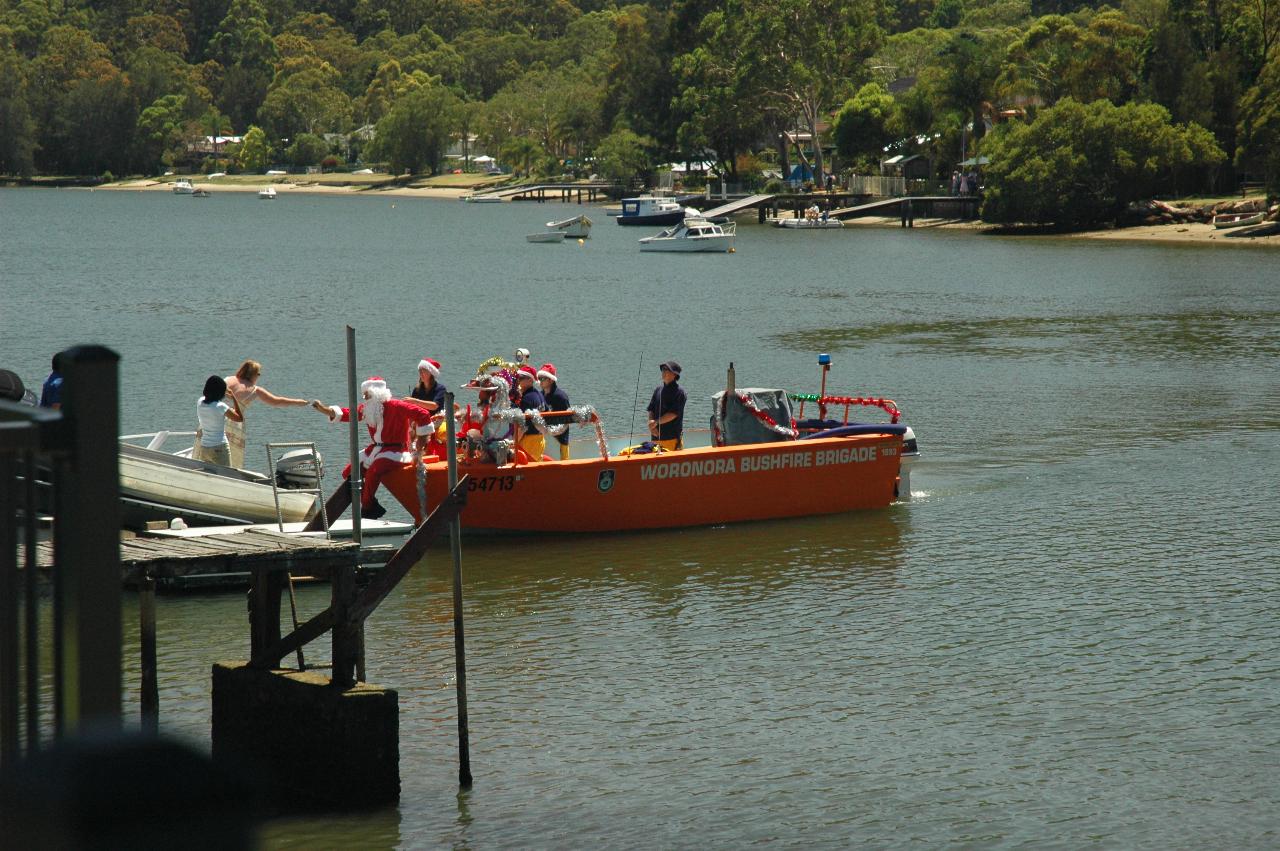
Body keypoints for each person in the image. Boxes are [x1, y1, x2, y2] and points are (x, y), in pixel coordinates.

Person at [312, 376, 437, 520]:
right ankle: (371, 503)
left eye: (367, 394)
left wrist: (421, 440)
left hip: (396, 451)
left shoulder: (397, 405)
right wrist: (324, 410)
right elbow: (349, 414)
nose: (364, 397)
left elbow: (423, 414)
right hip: (376, 449)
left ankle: (367, 509)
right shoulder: (368, 408)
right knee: (349, 471)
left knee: (374, 472)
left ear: (376, 393)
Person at [223, 359, 309, 469]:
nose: (259, 376)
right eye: (258, 374)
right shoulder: (255, 390)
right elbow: (277, 401)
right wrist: (298, 402)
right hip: (234, 423)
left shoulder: (227, 380)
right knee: (231, 457)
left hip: (215, 415)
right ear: (253, 374)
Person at [194, 375, 243, 466]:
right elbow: (239, 418)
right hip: (219, 447)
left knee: (208, 476)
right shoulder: (220, 406)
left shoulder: (200, 402)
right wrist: (233, 397)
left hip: (205, 447)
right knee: (226, 476)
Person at [406, 357, 449, 458]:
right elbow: (412, 409)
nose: (421, 373)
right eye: (419, 371)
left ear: (431, 373)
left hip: (436, 421)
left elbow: (434, 406)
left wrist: (414, 401)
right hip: (419, 422)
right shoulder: (417, 390)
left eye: (424, 371)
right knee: (409, 428)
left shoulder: (440, 388)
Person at [647, 361, 687, 451]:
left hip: (671, 439)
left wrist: (656, 422)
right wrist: (651, 425)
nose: (663, 372)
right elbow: (651, 409)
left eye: (667, 370)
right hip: (655, 439)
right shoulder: (658, 389)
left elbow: (673, 414)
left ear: (674, 374)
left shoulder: (680, 392)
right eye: (663, 370)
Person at [538, 363, 572, 460]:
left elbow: (568, 419)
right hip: (543, 441)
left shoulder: (561, 397)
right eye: (539, 378)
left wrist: (553, 431)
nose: (540, 381)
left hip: (560, 441)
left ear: (551, 380)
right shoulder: (540, 396)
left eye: (543, 378)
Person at [513, 364, 546, 461]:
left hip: (529, 440)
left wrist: (514, 442)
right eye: (518, 377)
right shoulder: (539, 395)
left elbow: (523, 426)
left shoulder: (527, 399)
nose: (519, 380)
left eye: (522, 378)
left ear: (530, 380)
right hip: (540, 439)